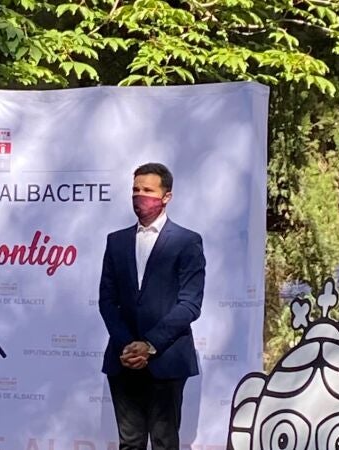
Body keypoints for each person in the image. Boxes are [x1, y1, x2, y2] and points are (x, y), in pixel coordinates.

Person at [98, 162, 205, 450]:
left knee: (164, 442)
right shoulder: (116, 241)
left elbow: (190, 304)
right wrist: (128, 345)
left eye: (148, 190)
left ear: (166, 196)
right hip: (123, 359)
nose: (139, 196)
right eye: (135, 190)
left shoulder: (187, 241)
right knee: (129, 442)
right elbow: (107, 300)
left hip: (167, 359)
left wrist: (150, 345)